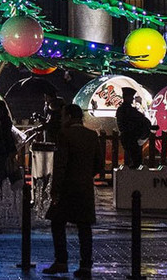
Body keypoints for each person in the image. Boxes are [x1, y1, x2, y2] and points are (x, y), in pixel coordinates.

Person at [44, 104, 101, 277]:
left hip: (68, 187)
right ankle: (85, 265)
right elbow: (98, 164)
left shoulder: (64, 135)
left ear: (68, 116)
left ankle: (61, 261)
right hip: (85, 188)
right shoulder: (92, 136)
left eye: (62, 116)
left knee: (57, 222)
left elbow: (60, 165)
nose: (61, 120)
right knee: (84, 226)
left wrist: (55, 190)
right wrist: (85, 176)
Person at [115, 87, 153, 169]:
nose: (132, 99)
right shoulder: (128, 110)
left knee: (131, 158)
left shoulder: (124, 109)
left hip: (129, 137)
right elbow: (142, 120)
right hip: (131, 137)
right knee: (135, 160)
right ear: (126, 97)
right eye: (131, 97)